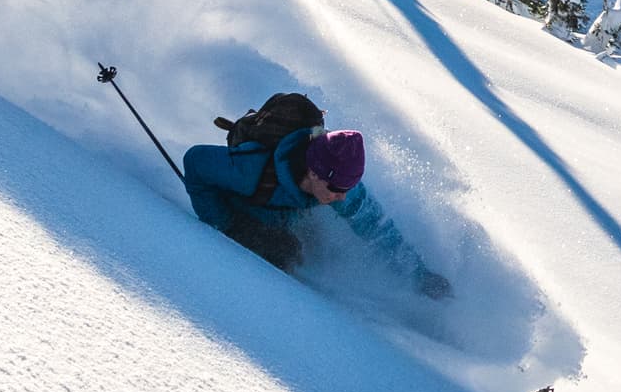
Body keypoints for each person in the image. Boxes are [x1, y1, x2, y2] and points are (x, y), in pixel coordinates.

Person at [183, 91, 451, 297]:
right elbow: (195, 162)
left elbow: (377, 230)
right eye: (337, 189)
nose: (343, 197)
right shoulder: (250, 169)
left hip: (285, 216)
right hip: (240, 213)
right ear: (314, 172)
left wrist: (420, 276)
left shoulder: (338, 184)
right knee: (286, 253)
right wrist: (224, 224)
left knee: (319, 247)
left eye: (347, 189)